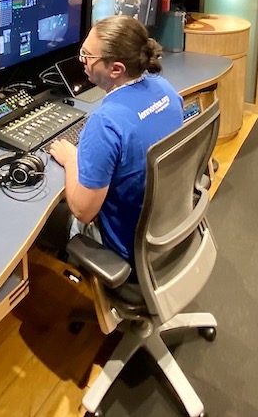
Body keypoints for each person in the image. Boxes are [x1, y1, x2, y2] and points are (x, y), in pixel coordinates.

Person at [46, 15, 184, 262]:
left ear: (116, 69)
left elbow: (82, 211)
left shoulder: (106, 122)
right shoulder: (165, 89)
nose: (81, 60)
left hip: (125, 244)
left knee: (46, 222)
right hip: (166, 223)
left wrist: (71, 159)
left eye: (88, 55)